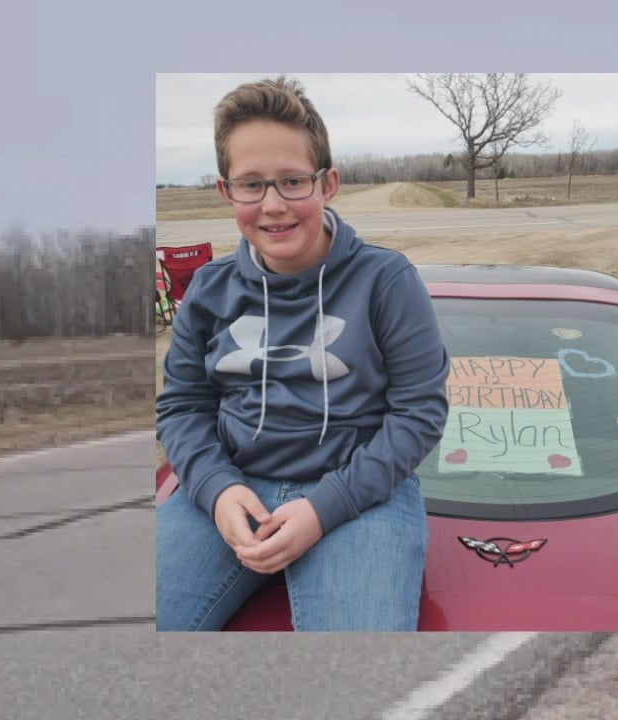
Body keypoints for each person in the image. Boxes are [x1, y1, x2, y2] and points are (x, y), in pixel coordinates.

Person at [156, 76, 450, 631]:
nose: (273, 206)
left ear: (327, 183)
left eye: (293, 181)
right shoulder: (209, 289)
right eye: (251, 185)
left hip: (361, 493)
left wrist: (324, 508)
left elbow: (420, 412)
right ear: (226, 191)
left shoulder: (387, 281)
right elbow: (182, 407)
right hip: (234, 483)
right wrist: (218, 491)